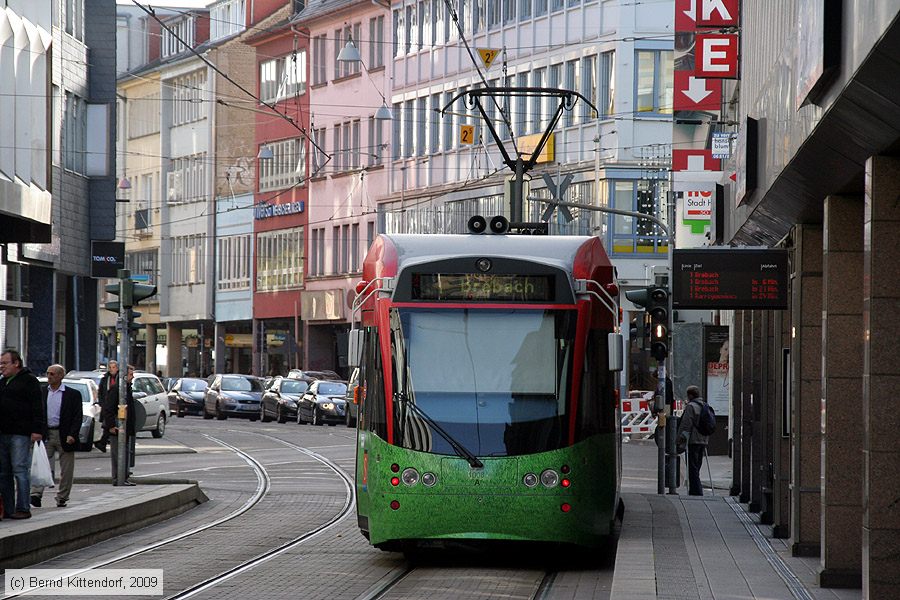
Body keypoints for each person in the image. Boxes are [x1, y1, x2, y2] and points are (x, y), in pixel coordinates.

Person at [0, 349, 44, 519]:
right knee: (4, 472)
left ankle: (23, 507)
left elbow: (37, 407)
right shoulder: (3, 382)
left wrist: (36, 430)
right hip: (3, 432)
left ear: (16, 363)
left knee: (20, 469)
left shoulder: (29, 381)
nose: (1, 367)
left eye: (4, 363)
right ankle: (9, 508)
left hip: (20, 433)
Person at [30, 364, 82, 508]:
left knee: (66, 469)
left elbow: (77, 416)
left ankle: (62, 497)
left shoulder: (72, 394)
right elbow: (36, 413)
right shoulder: (42, 393)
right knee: (39, 464)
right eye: (48, 373)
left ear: (60, 376)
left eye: (52, 374)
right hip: (46, 434)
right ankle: (35, 494)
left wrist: (72, 434)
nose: (49, 376)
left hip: (64, 435)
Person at [100, 364, 136, 485]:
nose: (133, 376)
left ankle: (124, 477)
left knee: (124, 453)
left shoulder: (127, 388)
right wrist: (111, 426)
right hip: (117, 428)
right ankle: (118, 478)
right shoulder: (116, 389)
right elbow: (108, 409)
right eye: (131, 374)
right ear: (124, 375)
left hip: (125, 428)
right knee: (117, 454)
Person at [676, 385, 709, 496]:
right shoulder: (704, 405)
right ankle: (695, 490)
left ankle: (696, 491)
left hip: (693, 440)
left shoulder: (691, 407)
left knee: (692, 467)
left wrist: (680, 439)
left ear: (690, 395)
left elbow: (686, 425)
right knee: (697, 465)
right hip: (703, 439)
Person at [95, 360, 121, 452]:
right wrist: (102, 403)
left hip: (117, 405)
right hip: (107, 405)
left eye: (113, 367)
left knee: (108, 424)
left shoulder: (120, 378)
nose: (111, 369)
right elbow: (100, 392)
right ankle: (103, 442)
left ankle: (103, 442)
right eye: (110, 367)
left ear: (117, 368)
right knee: (108, 423)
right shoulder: (105, 379)